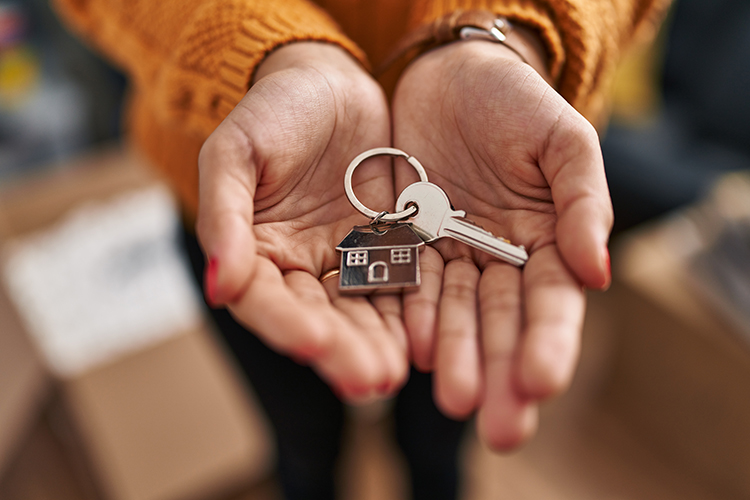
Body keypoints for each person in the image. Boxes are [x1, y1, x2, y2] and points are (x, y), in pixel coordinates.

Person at [51, 1, 671, 499]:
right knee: (301, 441)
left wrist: (514, 28)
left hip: (486, 183)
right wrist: (270, 45)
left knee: (436, 446)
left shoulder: (430, 220)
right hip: (264, 212)